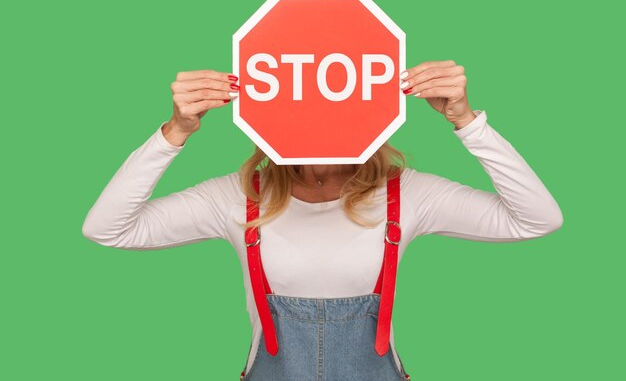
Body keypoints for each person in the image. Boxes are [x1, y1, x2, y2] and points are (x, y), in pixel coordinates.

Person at [82, 60, 563, 381]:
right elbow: (108, 228)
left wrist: (467, 121)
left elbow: (536, 219)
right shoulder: (238, 197)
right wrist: (176, 131)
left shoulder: (405, 194)